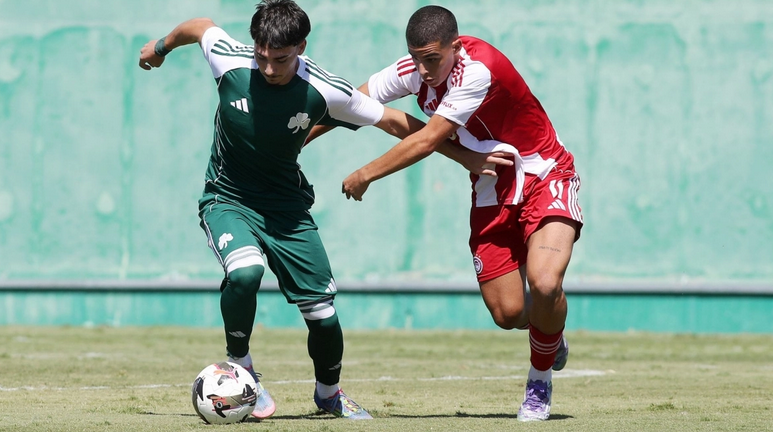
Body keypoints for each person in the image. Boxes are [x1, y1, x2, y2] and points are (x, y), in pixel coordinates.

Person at [138, 0, 507, 421]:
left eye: (280, 59)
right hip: (227, 198)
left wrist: (465, 157)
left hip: (286, 209)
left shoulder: (326, 89)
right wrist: (160, 48)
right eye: (262, 55)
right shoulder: (230, 59)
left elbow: (394, 121)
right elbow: (200, 26)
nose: (269, 68)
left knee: (324, 316)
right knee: (245, 272)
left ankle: (329, 395)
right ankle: (241, 367)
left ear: (301, 47)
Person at [337, 5, 584, 422]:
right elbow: (349, 103)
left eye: (432, 59)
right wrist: (299, 137)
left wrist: (365, 174)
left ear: (455, 46)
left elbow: (426, 140)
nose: (423, 70)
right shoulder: (416, 69)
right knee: (508, 314)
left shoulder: (477, 70)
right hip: (491, 187)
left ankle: (539, 382)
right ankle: (550, 333)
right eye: (415, 58)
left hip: (545, 174)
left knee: (544, 283)